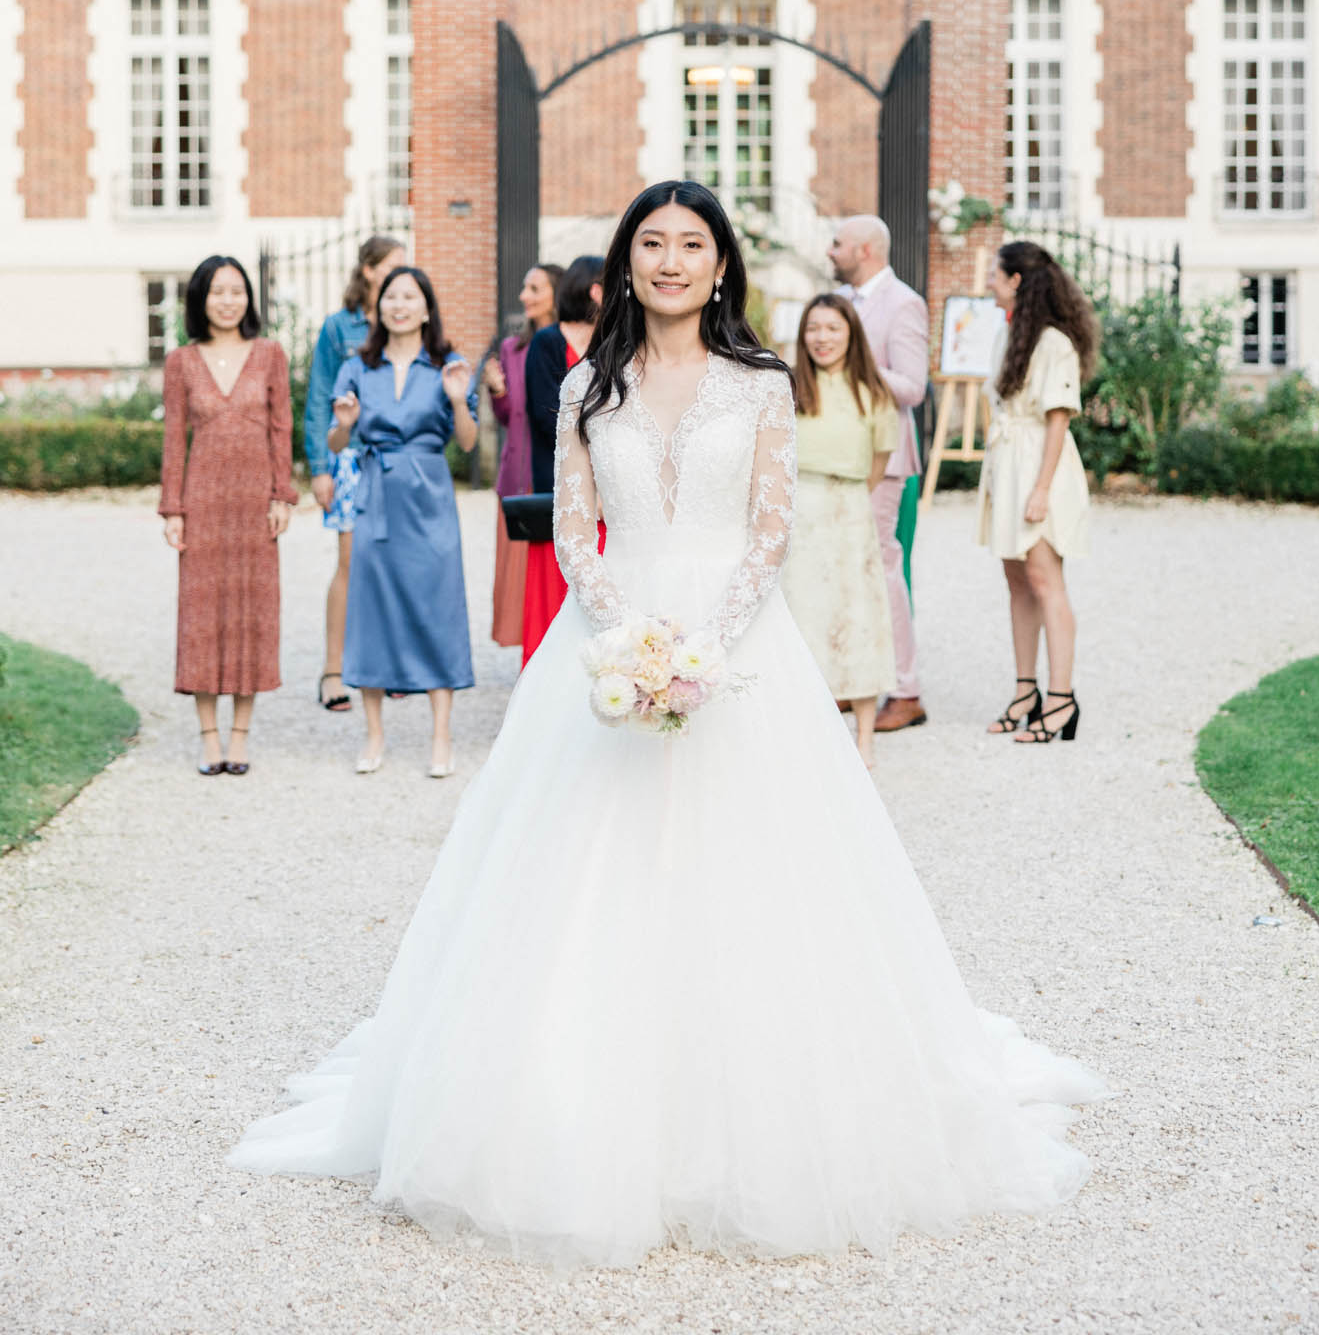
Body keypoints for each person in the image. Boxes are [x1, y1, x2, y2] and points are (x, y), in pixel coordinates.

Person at [232, 180, 1106, 1264]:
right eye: (652, 243)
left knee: (760, 881)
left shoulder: (759, 383)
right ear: (626, 261)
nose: (671, 260)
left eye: (692, 243)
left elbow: (770, 525)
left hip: (740, 648)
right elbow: (573, 529)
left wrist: (703, 642)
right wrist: (630, 637)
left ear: (721, 264)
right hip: (607, 643)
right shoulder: (591, 382)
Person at [327, 267, 479, 778]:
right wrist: (344, 428)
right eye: (391, 296)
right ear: (378, 307)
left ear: (426, 307)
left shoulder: (448, 365)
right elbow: (335, 443)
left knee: (437, 605)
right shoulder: (357, 367)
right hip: (376, 493)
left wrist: (458, 400)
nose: (399, 305)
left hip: (429, 494)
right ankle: (374, 734)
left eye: (409, 296)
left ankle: (441, 734)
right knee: (370, 608)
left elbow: (468, 442)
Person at [159, 255, 297, 776]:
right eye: (217, 291)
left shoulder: (270, 355)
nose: (227, 300)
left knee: (251, 615)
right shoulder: (182, 362)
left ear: (249, 298)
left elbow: (281, 429)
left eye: (236, 290)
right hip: (203, 504)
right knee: (202, 618)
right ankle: (208, 737)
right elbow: (174, 439)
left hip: (255, 505)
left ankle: (240, 736)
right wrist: (173, 508)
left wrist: (282, 496)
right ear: (200, 299)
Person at [979, 241, 1097, 746]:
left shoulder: (1054, 344)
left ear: (1016, 281)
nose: (987, 280)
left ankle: (1061, 697)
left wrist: (1042, 489)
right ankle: (1026, 689)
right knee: (1016, 580)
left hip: (1039, 467)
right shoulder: (1010, 338)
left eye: (994, 273)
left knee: (1046, 579)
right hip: (1008, 465)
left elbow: (1058, 419)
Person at [783, 294, 898, 768]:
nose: (822, 338)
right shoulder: (788, 389)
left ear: (851, 332)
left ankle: (865, 739)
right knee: (801, 617)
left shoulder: (871, 392)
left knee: (858, 619)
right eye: (814, 328)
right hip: (799, 512)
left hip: (849, 511)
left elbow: (879, 460)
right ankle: (803, 732)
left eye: (833, 328)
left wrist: (846, 496)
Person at [829, 215, 930, 731]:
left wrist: (853, 363)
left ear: (865, 249)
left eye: (837, 243)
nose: (830, 252)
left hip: (882, 458)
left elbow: (913, 387)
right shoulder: (843, 303)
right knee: (845, 570)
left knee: (885, 571)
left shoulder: (904, 304)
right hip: (838, 455)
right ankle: (854, 681)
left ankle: (906, 690)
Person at [303, 234, 405, 712]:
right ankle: (333, 670)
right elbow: (318, 397)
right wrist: (318, 469)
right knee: (349, 563)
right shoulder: (337, 329)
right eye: (392, 267)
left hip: (395, 459)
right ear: (368, 271)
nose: (401, 276)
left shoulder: (401, 323)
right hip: (348, 459)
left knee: (392, 564)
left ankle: (388, 667)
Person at [520, 254, 604, 665]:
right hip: (558, 481)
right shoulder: (548, 342)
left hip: (609, 488)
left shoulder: (613, 341)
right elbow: (541, 413)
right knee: (554, 584)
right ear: (593, 289)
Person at [483, 263, 564, 649]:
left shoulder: (563, 345)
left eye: (534, 288)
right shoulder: (511, 349)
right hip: (516, 473)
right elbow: (508, 416)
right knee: (515, 573)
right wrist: (497, 392)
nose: (524, 296)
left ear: (557, 293)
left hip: (549, 469)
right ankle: (528, 647)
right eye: (524, 287)